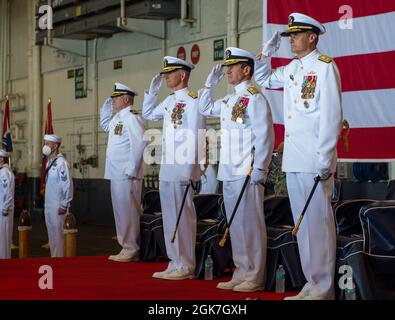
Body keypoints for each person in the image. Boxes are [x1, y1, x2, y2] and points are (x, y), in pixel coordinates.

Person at [255, 13, 343, 300]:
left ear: (312, 37)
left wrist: (325, 158)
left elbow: (331, 116)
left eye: (296, 34)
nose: (291, 39)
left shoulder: (324, 67)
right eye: (290, 35)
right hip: (294, 158)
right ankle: (311, 283)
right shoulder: (292, 68)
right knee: (302, 225)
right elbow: (264, 78)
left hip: (315, 159)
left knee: (318, 223)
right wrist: (266, 53)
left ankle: (324, 287)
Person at [199, 47, 274, 292]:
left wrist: (260, 169)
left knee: (250, 223)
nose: (227, 70)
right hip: (229, 171)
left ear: (246, 70)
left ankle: (255, 275)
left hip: (247, 171)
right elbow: (204, 109)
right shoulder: (230, 100)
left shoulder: (254, 97)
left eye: (232, 67)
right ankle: (241, 270)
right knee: (235, 223)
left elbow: (265, 136)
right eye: (226, 66)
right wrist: (208, 87)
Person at [143, 56, 206, 280]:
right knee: (170, 216)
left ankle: (186, 264)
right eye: (165, 73)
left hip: (183, 168)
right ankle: (174, 260)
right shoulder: (169, 101)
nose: (166, 76)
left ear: (182, 75)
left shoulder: (194, 99)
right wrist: (151, 93)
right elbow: (148, 114)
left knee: (183, 217)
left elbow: (197, 134)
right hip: (168, 167)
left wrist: (191, 169)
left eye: (170, 73)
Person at [100, 82, 146, 262]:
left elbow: (140, 142)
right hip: (116, 172)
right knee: (120, 211)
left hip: (127, 173)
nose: (113, 101)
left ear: (126, 99)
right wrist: (106, 106)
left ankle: (131, 247)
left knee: (128, 210)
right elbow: (105, 124)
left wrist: (132, 168)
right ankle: (126, 246)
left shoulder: (131, 117)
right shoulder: (117, 118)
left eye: (116, 98)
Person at [42, 134, 73, 257]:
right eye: (44, 143)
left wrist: (64, 204)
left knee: (59, 235)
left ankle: (60, 260)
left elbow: (67, 185)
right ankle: (54, 258)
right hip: (49, 204)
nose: (45, 146)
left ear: (55, 146)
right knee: (52, 236)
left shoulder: (62, 163)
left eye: (47, 144)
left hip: (58, 205)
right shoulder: (49, 162)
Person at [0, 150, 15, 259]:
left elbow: (8, 192)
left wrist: (5, 208)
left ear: (1, 159)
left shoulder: (5, 172)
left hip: (3, 211)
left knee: (4, 239)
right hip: (1, 209)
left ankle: (5, 263)